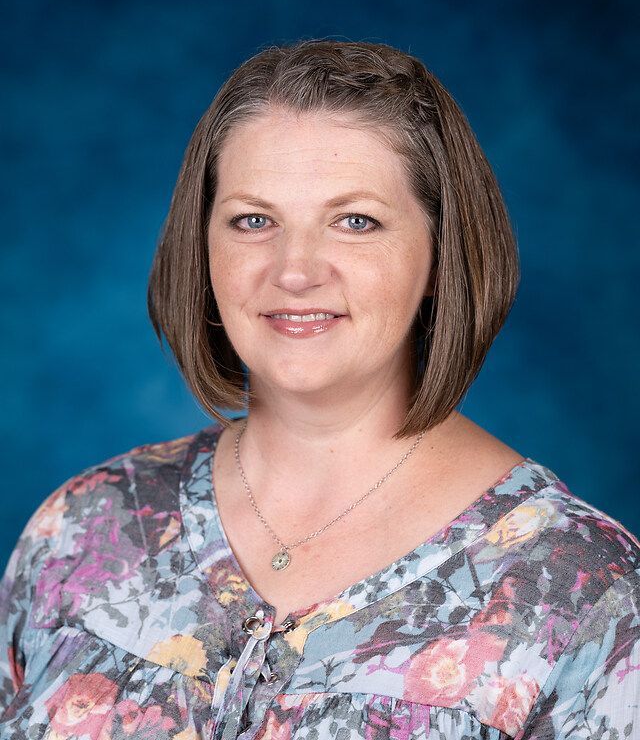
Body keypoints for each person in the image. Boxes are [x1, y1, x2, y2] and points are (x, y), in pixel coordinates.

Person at [0, 39, 638, 740]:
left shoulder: (584, 596)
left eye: (355, 221)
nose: (295, 270)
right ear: (202, 245)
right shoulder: (83, 531)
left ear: (441, 251)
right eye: (253, 220)